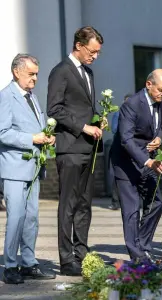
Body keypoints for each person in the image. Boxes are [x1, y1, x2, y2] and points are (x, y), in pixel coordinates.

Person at [47, 26, 104, 276]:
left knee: (84, 204)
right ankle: (66, 257)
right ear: (79, 46)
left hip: (88, 148)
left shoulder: (88, 72)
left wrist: (97, 120)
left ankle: (82, 251)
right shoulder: (61, 71)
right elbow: (54, 109)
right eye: (92, 51)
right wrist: (83, 127)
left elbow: (83, 107)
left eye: (98, 52)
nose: (95, 56)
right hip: (69, 147)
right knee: (68, 204)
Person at [0, 54, 56, 284]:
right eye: (31, 74)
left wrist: (48, 136)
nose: (35, 78)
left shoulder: (31, 97)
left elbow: (38, 126)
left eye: (36, 74)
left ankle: (29, 263)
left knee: (31, 217)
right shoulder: (6, 96)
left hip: (33, 167)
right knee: (16, 217)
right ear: (17, 72)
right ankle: (11, 266)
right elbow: (2, 133)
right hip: (14, 167)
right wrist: (32, 138)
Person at [110, 69, 162, 261]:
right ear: (148, 84)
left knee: (156, 203)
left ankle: (143, 245)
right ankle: (137, 256)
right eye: (161, 90)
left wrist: (159, 139)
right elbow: (126, 140)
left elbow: (158, 126)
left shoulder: (159, 101)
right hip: (126, 162)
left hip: (147, 159)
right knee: (132, 209)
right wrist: (148, 161)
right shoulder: (131, 105)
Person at [108, 93, 132, 210]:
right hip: (119, 147)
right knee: (115, 175)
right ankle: (115, 202)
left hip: (131, 149)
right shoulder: (118, 114)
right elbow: (114, 129)